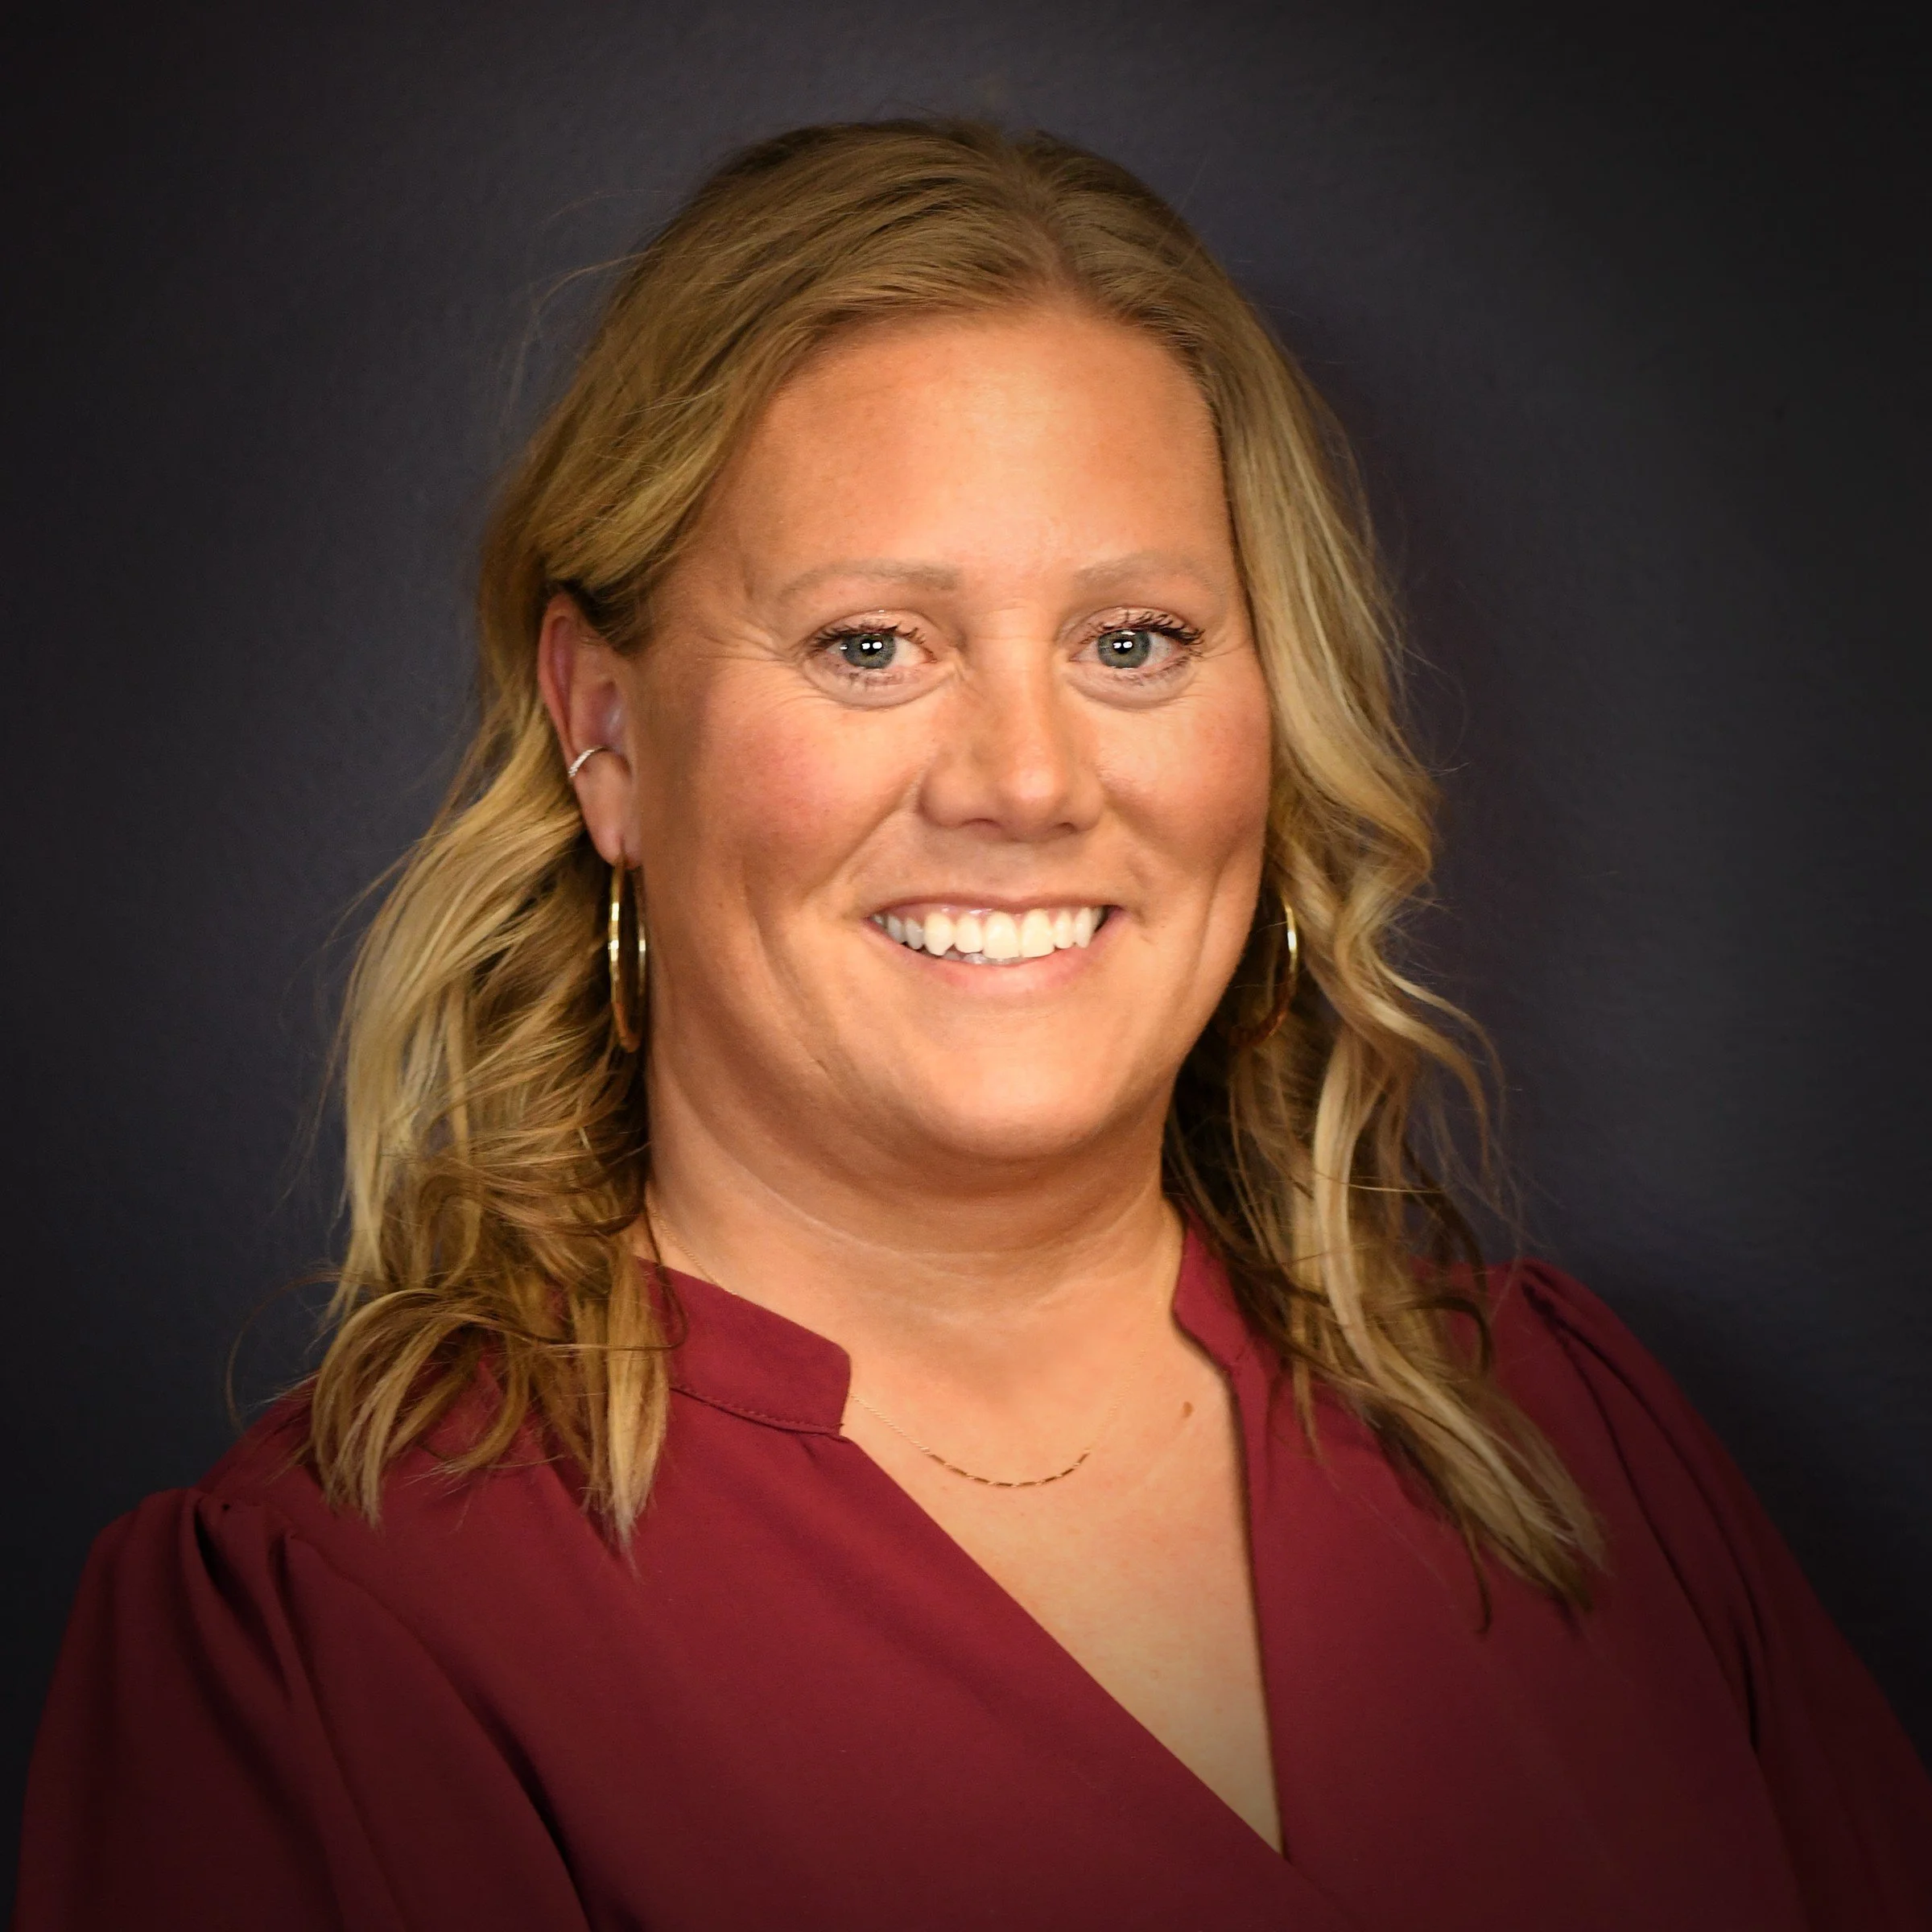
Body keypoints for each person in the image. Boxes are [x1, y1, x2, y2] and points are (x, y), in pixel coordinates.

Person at [14, 119, 1932, 1932]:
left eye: (1135, 642)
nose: (1026, 780)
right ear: (603, 727)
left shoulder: (1572, 1442)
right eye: (873, 644)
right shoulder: (332, 1630)